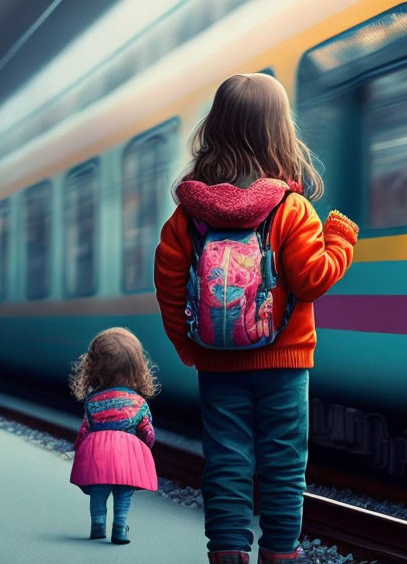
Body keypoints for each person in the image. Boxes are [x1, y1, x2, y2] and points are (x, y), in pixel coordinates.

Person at [154, 73, 359, 564]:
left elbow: (168, 283)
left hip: (217, 362)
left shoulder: (187, 215)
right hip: (285, 363)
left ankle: (227, 553)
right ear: (279, 133)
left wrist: (189, 346)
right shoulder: (292, 210)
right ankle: (280, 554)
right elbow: (311, 280)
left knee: (226, 459)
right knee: (284, 462)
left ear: (214, 129)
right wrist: (341, 241)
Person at [69, 327, 159, 545]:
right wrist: (143, 448)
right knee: (123, 492)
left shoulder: (92, 402)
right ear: (137, 367)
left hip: (97, 454)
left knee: (98, 491)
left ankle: (98, 526)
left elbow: (84, 431)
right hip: (127, 455)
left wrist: (80, 449)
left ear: (94, 369)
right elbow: (148, 433)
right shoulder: (138, 402)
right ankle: (120, 528)